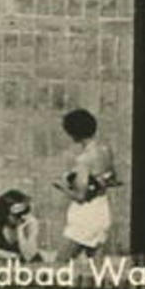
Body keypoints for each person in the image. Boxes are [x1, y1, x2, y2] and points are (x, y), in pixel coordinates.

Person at [52, 108, 118, 260]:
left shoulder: (84, 159)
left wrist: (61, 186)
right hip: (102, 210)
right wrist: (96, 184)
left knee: (60, 264)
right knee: (96, 267)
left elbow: (81, 196)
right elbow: (112, 178)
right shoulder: (105, 150)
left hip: (86, 215)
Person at [0, 189, 44, 263]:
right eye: (16, 215)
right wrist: (15, 256)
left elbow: (28, 256)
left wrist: (20, 231)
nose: (21, 217)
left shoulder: (30, 224)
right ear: (5, 213)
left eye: (24, 212)